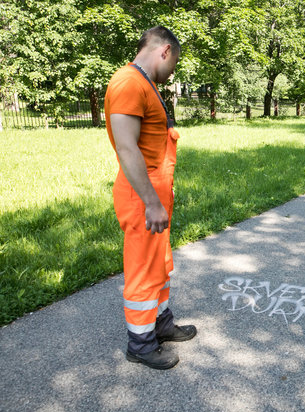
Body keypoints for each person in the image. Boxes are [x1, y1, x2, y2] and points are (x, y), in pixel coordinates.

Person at [105, 26, 197, 370]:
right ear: (165, 51)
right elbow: (127, 148)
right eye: (175, 62)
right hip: (141, 196)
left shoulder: (146, 83)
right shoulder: (128, 82)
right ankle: (141, 344)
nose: (173, 70)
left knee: (160, 265)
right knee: (143, 270)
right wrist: (151, 201)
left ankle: (160, 324)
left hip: (155, 192)